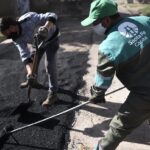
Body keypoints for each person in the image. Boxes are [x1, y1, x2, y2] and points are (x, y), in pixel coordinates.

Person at [81, 0, 150, 149]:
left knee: (118, 127)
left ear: (106, 20)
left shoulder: (108, 47)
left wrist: (97, 95)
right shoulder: (145, 20)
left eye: (95, 23)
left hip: (145, 94)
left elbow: (102, 81)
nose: (93, 27)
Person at [0, 12, 60, 107]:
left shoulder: (29, 19)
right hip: (37, 43)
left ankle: (53, 94)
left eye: (6, 32)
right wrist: (29, 74)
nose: (8, 36)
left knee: (49, 65)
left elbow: (52, 15)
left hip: (51, 39)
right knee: (32, 62)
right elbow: (25, 57)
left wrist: (46, 28)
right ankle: (32, 80)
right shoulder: (16, 38)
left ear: (12, 27)